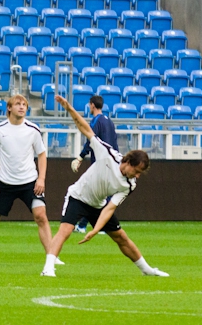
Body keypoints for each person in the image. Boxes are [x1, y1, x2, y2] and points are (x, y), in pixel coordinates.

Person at [40, 95, 169, 278]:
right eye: (137, 170)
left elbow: (110, 208)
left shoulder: (129, 184)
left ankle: (147, 270)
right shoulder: (107, 154)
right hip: (78, 196)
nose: (138, 176)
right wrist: (69, 108)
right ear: (129, 162)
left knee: (121, 237)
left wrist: (95, 230)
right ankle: (48, 268)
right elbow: (85, 129)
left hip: (98, 205)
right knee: (66, 230)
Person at [0, 94, 60, 264]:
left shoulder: (33, 129)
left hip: (30, 182)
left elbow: (42, 154)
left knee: (41, 215)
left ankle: (51, 256)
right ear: (9, 108)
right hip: (5, 183)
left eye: (24, 104)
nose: (22, 107)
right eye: (18, 104)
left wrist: (41, 179)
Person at [70, 95, 118, 234]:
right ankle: (86, 225)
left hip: (99, 164)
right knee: (100, 194)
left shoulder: (96, 121)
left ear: (92, 105)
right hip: (111, 163)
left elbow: (92, 141)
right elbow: (114, 143)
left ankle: (99, 225)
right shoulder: (110, 121)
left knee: (92, 194)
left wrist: (80, 157)